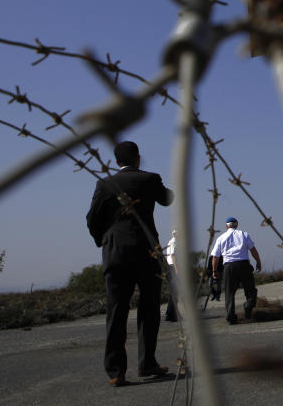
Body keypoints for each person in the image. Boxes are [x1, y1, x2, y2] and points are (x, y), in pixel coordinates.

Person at [86, 140, 172, 387]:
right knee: (149, 307)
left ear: (116, 162)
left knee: (116, 312)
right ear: (138, 158)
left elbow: (92, 218)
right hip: (147, 250)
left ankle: (116, 371)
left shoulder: (105, 183)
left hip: (115, 252)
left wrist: (105, 239)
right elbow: (167, 200)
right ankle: (147, 363)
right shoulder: (150, 179)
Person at [210, 217, 262, 325]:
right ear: (237, 225)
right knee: (250, 289)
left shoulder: (221, 238)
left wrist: (214, 271)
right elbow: (253, 250)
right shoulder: (244, 234)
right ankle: (248, 305)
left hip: (229, 266)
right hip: (244, 265)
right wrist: (258, 262)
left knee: (229, 293)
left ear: (226, 226)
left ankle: (231, 317)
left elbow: (215, 257)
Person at [164, 230, 178, 322]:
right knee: (175, 291)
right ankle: (170, 314)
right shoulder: (175, 242)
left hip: (170, 267)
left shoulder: (170, 241)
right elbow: (173, 255)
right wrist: (177, 268)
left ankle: (173, 313)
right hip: (173, 267)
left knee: (175, 291)